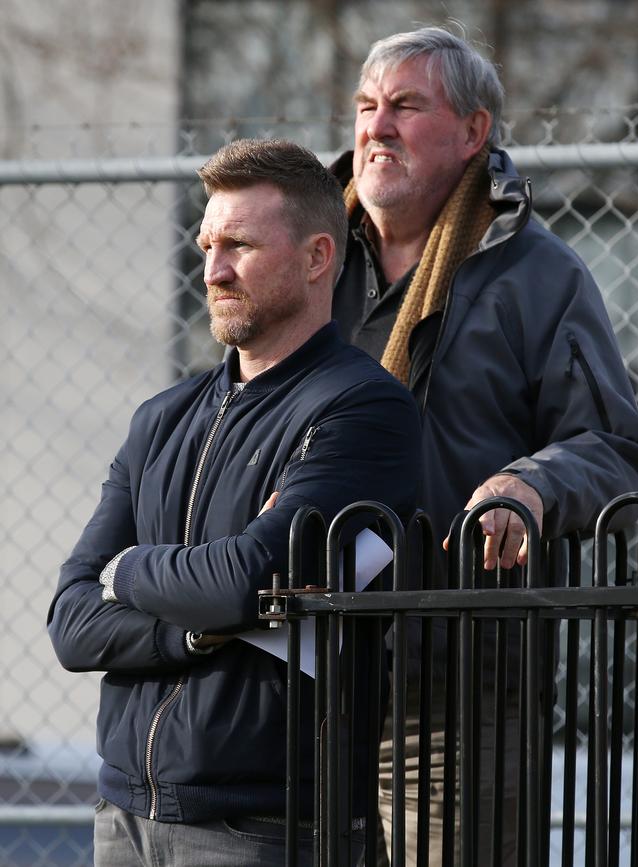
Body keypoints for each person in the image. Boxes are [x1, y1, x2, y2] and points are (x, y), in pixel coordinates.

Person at [47, 138, 422, 867]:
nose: (213, 269)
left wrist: (127, 572)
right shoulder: (163, 417)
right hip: (123, 816)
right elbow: (68, 622)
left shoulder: (361, 408)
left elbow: (242, 576)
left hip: (266, 827)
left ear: (317, 258)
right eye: (208, 243)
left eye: (240, 246)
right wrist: (189, 633)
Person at [329, 25, 638, 866]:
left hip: (458, 680)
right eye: (366, 106)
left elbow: (616, 445)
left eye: (406, 105)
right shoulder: (305, 261)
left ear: (474, 132)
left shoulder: (537, 275)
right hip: (306, 672)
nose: (376, 127)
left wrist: (531, 483)